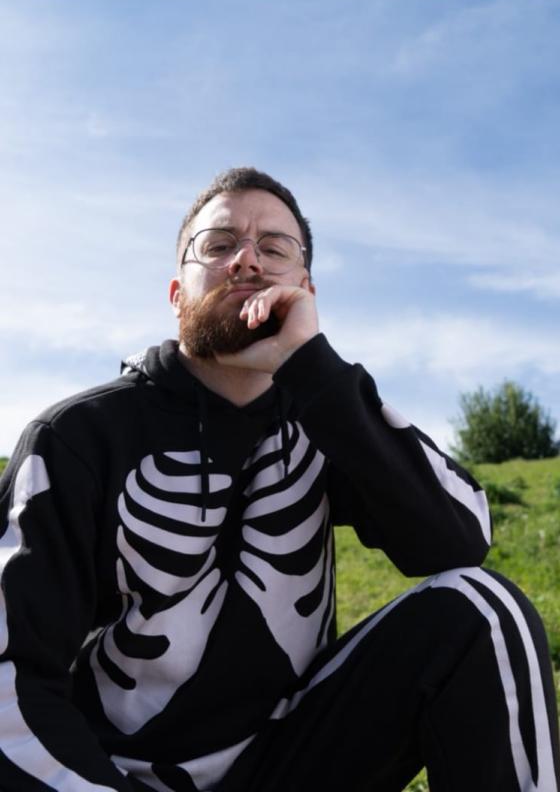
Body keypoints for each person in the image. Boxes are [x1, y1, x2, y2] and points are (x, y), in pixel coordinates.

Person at [0, 167, 558, 792]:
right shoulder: (75, 437)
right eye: (218, 246)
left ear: (306, 287)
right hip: (125, 774)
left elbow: (460, 539)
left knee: (484, 607)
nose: (247, 261)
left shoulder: (325, 418)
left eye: (274, 248)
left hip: (293, 764)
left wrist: (316, 373)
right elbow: (10, 681)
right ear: (177, 293)